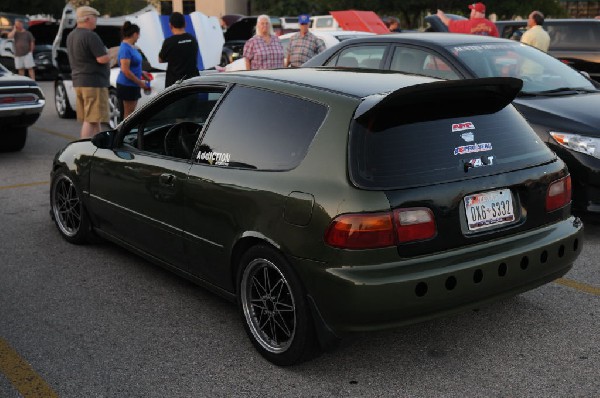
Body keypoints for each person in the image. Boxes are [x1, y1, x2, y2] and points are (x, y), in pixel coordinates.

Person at [66, 6, 111, 139]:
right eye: (95, 18)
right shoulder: (91, 36)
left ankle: (100, 146)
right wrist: (111, 54)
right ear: (87, 19)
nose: (96, 21)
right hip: (93, 83)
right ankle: (84, 147)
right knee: (90, 119)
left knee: (93, 118)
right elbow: (102, 59)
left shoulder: (71, 35)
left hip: (79, 82)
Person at [116, 22, 149, 119]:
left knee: (131, 112)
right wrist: (140, 83)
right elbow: (125, 70)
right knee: (128, 113)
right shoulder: (125, 48)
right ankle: (124, 133)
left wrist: (142, 73)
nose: (138, 37)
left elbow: (132, 66)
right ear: (135, 34)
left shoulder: (131, 47)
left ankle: (127, 132)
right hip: (127, 84)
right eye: (138, 35)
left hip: (132, 84)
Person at [159, 12, 199, 88]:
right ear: (185, 24)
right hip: (192, 83)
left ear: (170, 25)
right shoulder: (192, 39)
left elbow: (160, 59)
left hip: (175, 85)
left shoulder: (169, 42)